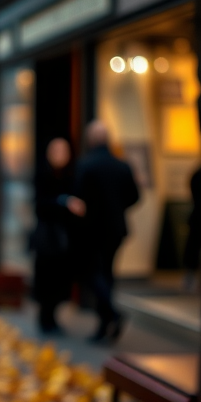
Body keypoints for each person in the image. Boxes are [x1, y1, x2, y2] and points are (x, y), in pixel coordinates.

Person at [75, 121, 140, 341]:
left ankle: (111, 315)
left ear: (91, 140)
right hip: (116, 229)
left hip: (92, 230)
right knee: (107, 274)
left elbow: (79, 197)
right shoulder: (122, 166)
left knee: (93, 274)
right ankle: (106, 324)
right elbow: (135, 196)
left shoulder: (86, 165)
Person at [32, 138, 85, 335]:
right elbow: (40, 205)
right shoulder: (43, 175)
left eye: (63, 151)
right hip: (48, 239)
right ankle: (45, 318)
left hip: (65, 239)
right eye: (55, 150)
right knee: (47, 279)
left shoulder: (72, 175)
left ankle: (52, 317)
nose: (59, 155)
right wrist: (63, 202)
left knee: (60, 280)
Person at [182, 161, 201, 293]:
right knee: (196, 248)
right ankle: (193, 280)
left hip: (197, 217)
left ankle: (192, 279)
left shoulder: (198, 174)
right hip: (200, 217)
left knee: (194, 248)